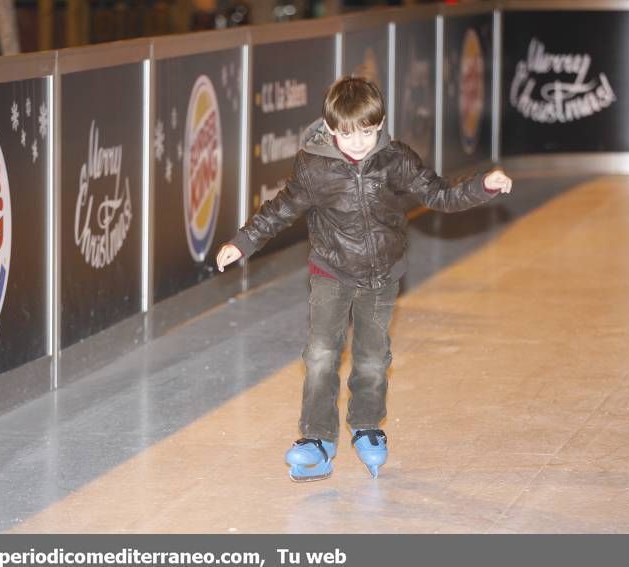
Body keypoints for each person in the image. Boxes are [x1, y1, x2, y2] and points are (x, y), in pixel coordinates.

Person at [216, 77, 512, 482]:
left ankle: (367, 424)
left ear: (382, 123)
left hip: (381, 276)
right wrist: (244, 241)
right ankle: (317, 438)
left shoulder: (396, 159)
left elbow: (439, 195)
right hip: (331, 270)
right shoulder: (313, 166)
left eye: (368, 133)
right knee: (321, 354)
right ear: (329, 126)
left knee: (373, 358)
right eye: (347, 134)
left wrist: (482, 185)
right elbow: (281, 209)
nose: (358, 143)